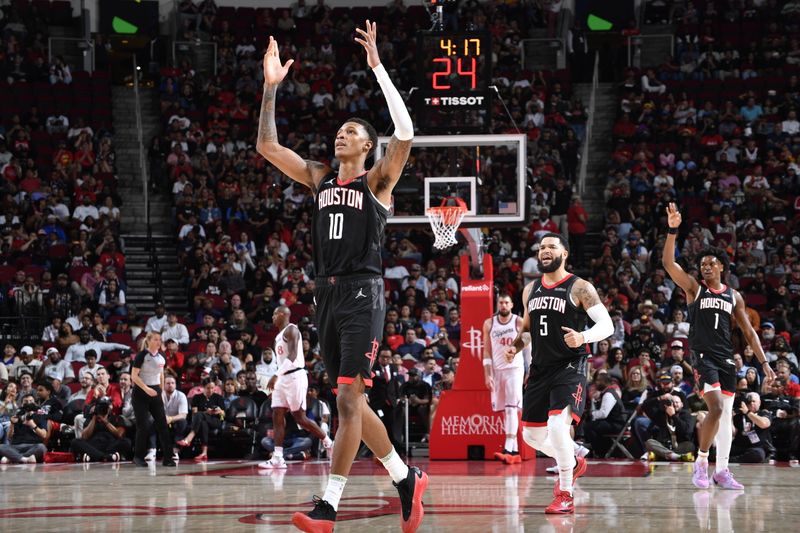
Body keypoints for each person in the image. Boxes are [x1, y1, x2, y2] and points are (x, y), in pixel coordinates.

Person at [255, 23, 426, 532]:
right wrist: (269, 89)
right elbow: (267, 145)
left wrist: (378, 69)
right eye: (340, 131)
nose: (341, 134)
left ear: (368, 146)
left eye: (352, 132)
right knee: (349, 400)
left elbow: (406, 132)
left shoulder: (379, 180)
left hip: (363, 293)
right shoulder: (317, 176)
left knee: (349, 398)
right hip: (325, 296)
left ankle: (329, 505)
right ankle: (404, 477)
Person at [662, 202, 775, 490]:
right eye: (702, 264)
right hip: (702, 356)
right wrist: (673, 230)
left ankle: (722, 471)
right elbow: (668, 264)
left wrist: (764, 364)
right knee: (714, 409)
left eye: (711, 263)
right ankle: (701, 462)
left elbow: (749, 332)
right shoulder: (694, 289)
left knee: (725, 417)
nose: (706, 267)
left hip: (726, 359)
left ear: (722, 266)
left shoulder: (733, 296)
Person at [505, 232, 614, 514]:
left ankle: (565, 492)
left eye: (552, 247)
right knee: (530, 436)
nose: (545, 251)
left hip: (570, 366)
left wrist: (584, 336)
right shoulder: (530, 290)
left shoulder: (580, 287)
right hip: (540, 369)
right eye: (541, 248)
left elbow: (607, 325)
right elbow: (528, 331)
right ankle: (573, 461)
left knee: (556, 427)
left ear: (564, 254)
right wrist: (515, 347)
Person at [259, 306, 332, 469]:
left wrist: (276, 374)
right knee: (277, 413)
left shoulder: (292, 330)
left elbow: (292, 356)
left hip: (294, 376)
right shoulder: (278, 336)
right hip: (283, 378)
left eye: (274, 314)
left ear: (282, 315)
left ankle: (327, 441)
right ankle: (278, 457)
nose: (272, 318)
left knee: (300, 417)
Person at [483, 293, 530, 464]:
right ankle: (516, 450)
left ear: (511, 305)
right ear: (497, 304)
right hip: (498, 370)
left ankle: (508, 447)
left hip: (515, 369)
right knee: (506, 410)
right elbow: (486, 351)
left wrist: (529, 368)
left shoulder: (518, 321)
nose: (503, 305)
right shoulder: (489, 323)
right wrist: (487, 373)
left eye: (506, 303)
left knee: (511, 408)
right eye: (501, 302)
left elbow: (527, 346)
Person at [130, 331, 176, 467]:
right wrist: (146, 389)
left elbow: (161, 375)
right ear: (149, 341)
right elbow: (134, 376)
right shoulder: (141, 355)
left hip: (155, 392)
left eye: (160, 339)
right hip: (140, 393)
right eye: (156, 339)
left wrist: (160, 391)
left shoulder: (162, 356)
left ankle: (168, 458)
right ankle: (138, 457)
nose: (159, 342)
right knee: (142, 426)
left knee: (162, 425)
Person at [70, 395, 131, 463]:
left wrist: (105, 421)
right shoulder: (91, 419)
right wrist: (94, 418)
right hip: (93, 445)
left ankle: (94, 456)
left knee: (127, 441)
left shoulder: (117, 418)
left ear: (110, 407)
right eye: (101, 406)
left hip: (110, 445)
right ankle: (106, 457)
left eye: (106, 406)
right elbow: (84, 436)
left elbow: (119, 434)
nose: (103, 409)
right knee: (75, 442)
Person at [176, 378, 225, 461]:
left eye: (212, 388)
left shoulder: (218, 397)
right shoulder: (197, 397)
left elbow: (223, 414)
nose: (210, 390)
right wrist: (207, 412)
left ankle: (189, 438)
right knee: (203, 422)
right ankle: (204, 452)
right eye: (208, 388)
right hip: (200, 421)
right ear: (203, 388)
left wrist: (219, 411)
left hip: (215, 421)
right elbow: (194, 413)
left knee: (200, 415)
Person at [0, 393, 48, 464]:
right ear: (21, 404)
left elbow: (44, 435)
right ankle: (25, 459)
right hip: (16, 446)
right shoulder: (17, 415)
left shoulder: (40, 415)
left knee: (42, 447)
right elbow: (9, 437)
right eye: (26, 402)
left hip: (33, 446)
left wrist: (32, 425)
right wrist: (12, 424)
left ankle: (13, 458)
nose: (28, 403)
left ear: (35, 403)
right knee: (1, 446)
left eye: (31, 401)